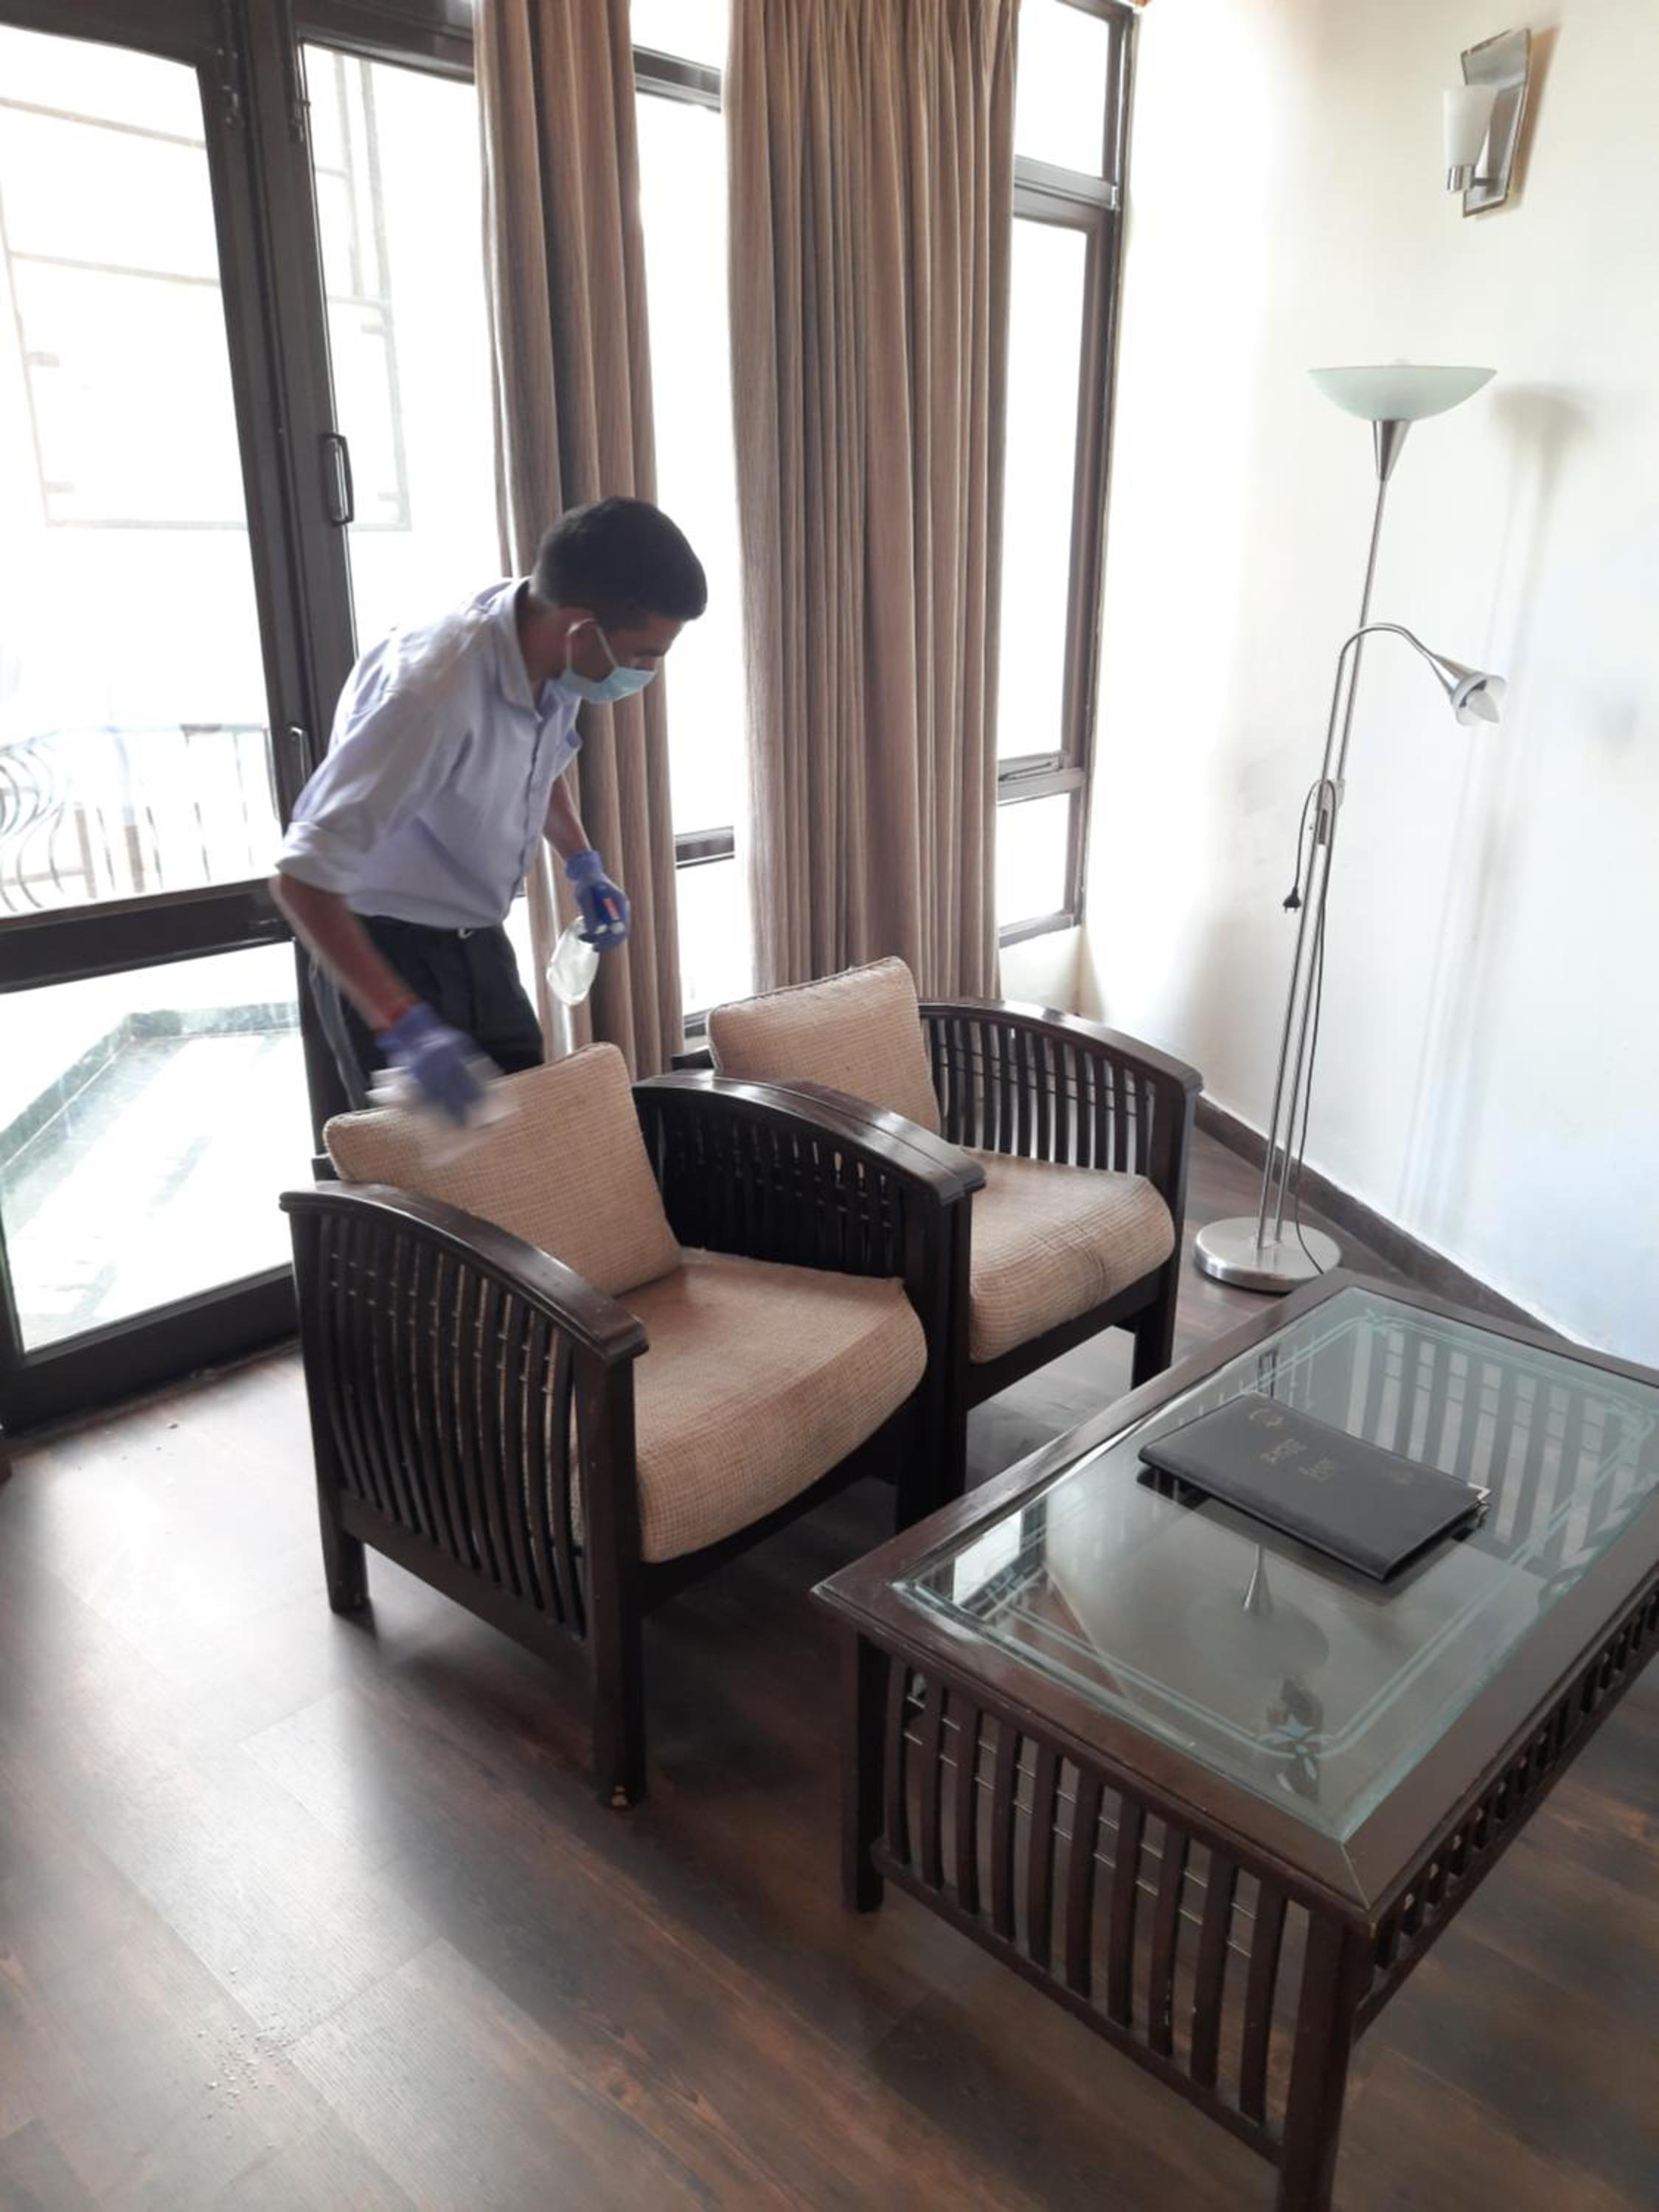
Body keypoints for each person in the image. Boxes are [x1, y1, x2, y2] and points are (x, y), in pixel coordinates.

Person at [271, 497, 706, 1124]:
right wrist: (402, 1023)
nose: (644, 672)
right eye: (645, 654)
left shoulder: (550, 647)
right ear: (583, 630)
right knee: (417, 1172)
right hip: (382, 945)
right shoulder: (431, 693)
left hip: (478, 942)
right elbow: (301, 878)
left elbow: (541, 765)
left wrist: (582, 863)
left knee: (523, 1133)